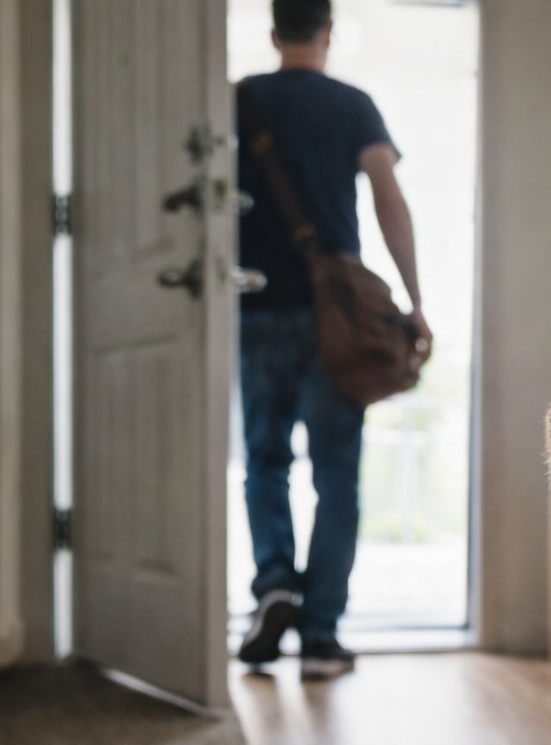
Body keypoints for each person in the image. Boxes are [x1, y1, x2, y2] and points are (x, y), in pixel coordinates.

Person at [235, 0, 430, 680]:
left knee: (265, 461)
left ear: (272, 33)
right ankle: (320, 637)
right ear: (327, 32)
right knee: (337, 475)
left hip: (255, 306)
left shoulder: (240, 102)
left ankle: (275, 586)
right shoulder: (352, 105)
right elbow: (388, 198)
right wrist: (413, 300)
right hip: (337, 322)